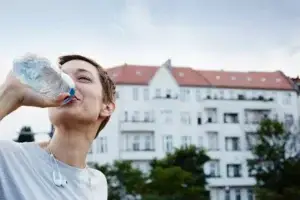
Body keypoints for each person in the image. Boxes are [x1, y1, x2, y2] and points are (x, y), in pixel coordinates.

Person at [0, 55, 116, 200]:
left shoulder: (97, 182)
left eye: (83, 78)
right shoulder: (8, 159)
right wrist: (7, 94)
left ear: (107, 107)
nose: (68, 83)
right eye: (61, 76)